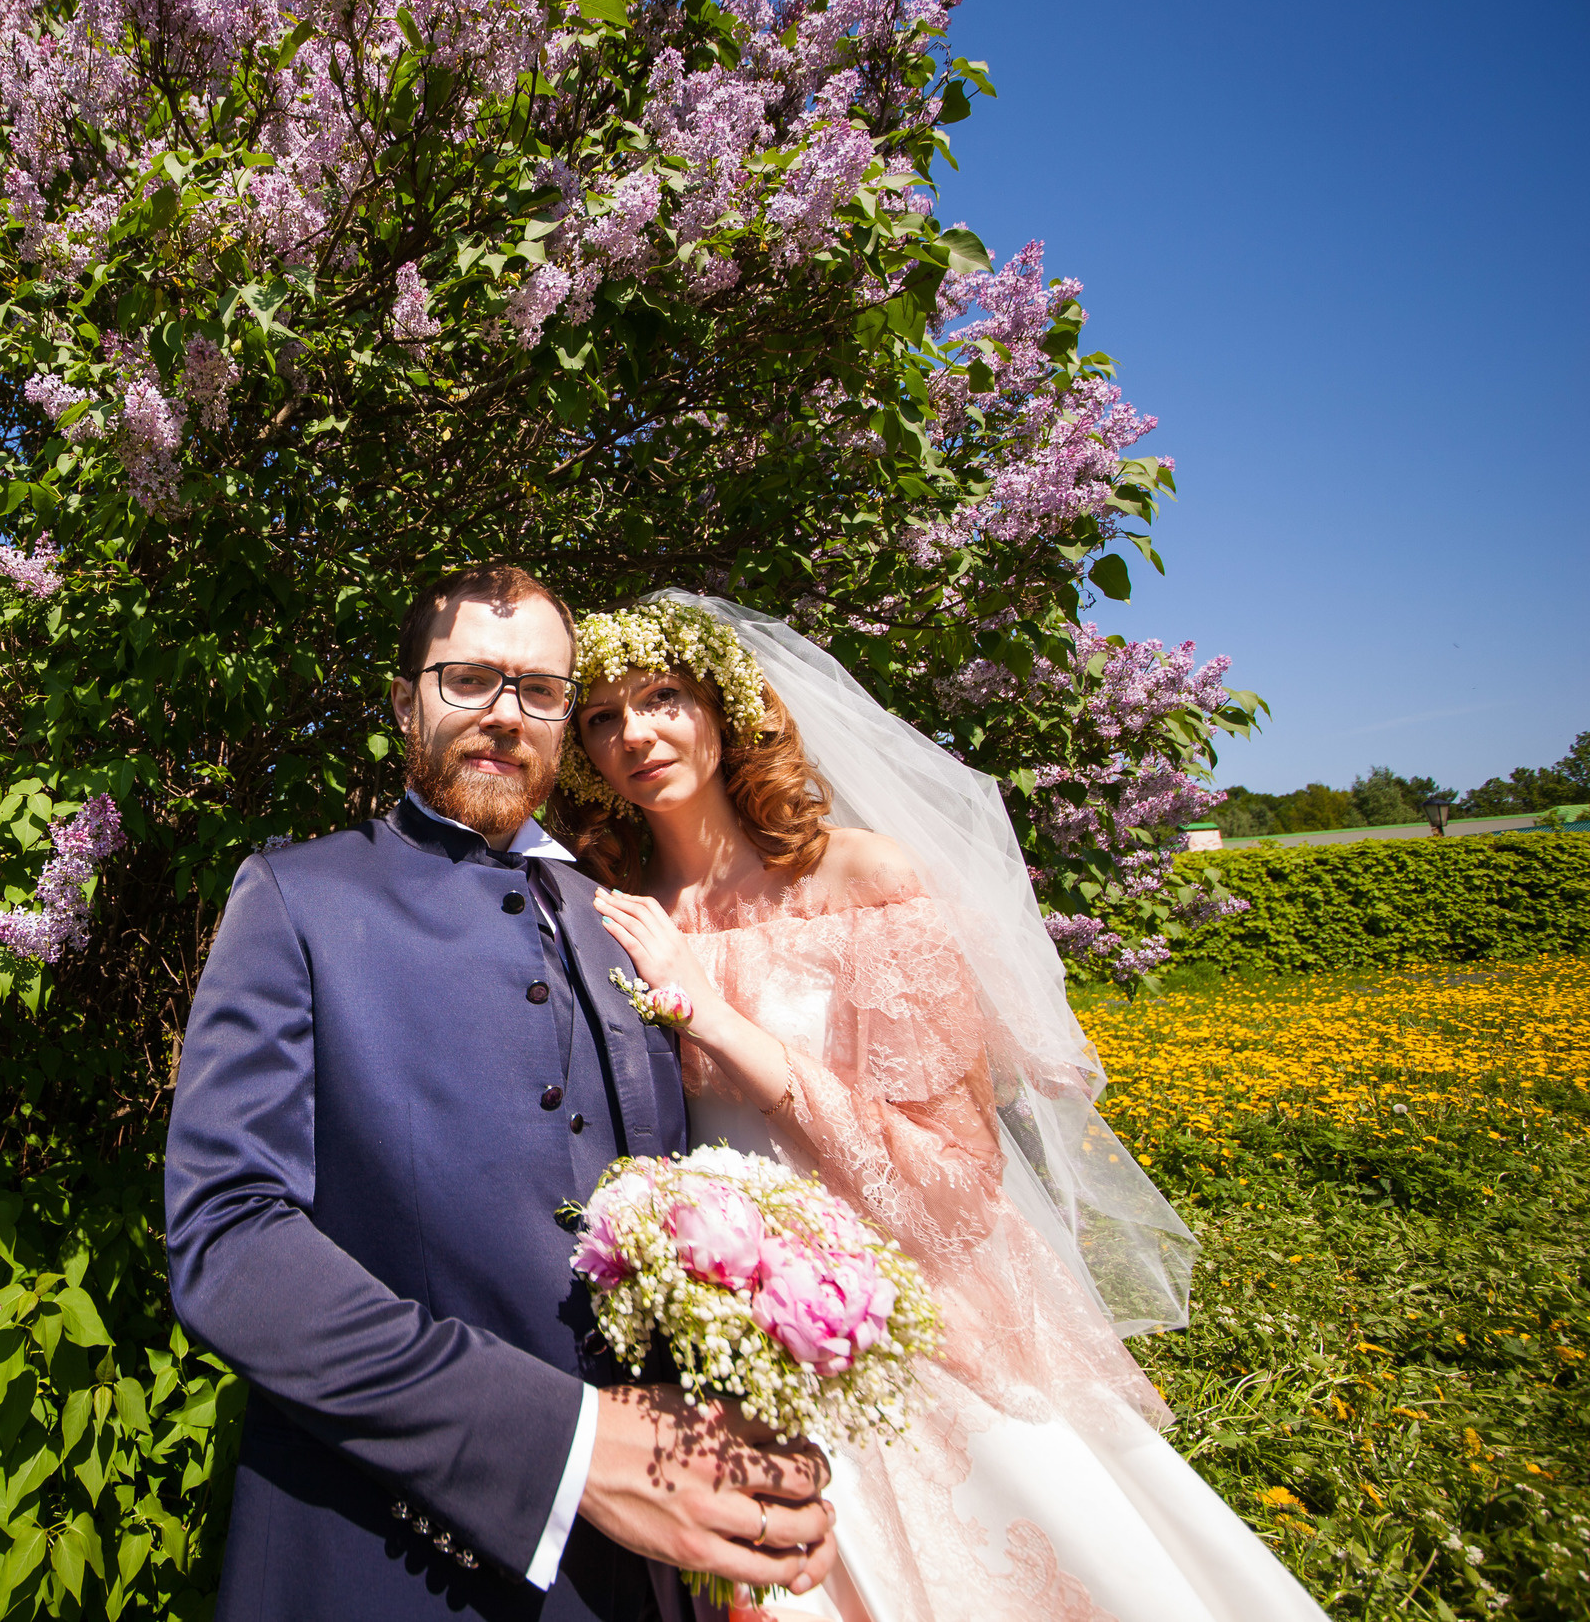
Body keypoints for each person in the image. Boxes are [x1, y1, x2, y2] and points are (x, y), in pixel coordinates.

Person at [557, 591, 1331, 1622]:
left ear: (725, 704)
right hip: (718, 1336)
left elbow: (959, 1178)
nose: (634, 735)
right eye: (601, 717)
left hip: (911, 1314)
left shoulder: (864, 881)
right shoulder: (611, 912)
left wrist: (718, 1021)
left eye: (661, 697)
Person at [165, 566, 840, 1621]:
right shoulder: (294, 897)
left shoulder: (617, 912)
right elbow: (229, 1242)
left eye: (537, 690)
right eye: (468, 678)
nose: (502, 714)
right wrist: (565, 1450)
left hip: (651, 1572)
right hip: (385, 1557)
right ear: (404, 702)